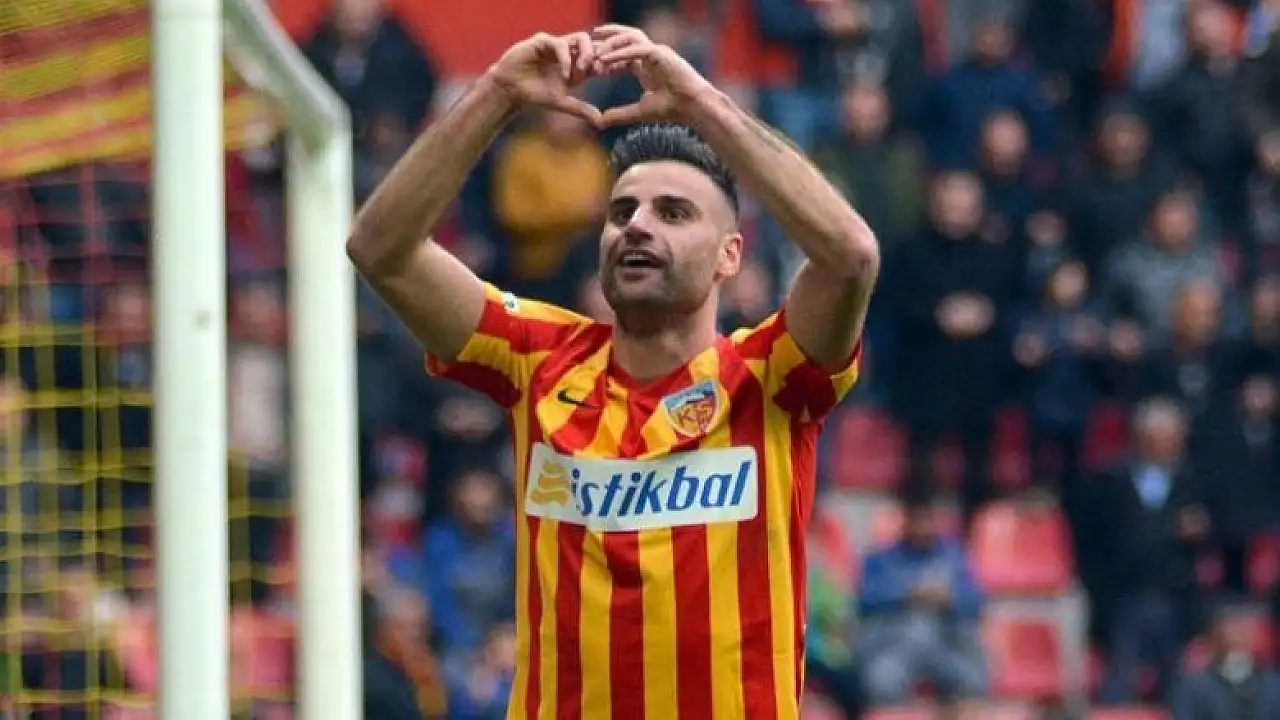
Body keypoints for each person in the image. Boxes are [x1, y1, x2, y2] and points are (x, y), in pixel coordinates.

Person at [347, 25, 880, 720]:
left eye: (673, 212)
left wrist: (702, 104)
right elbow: (380, 249)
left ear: (730, 255)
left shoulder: (769, 375)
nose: (636, 225)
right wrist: (498, 93)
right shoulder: (537, 357)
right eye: (622, 211)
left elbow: (850, 256)